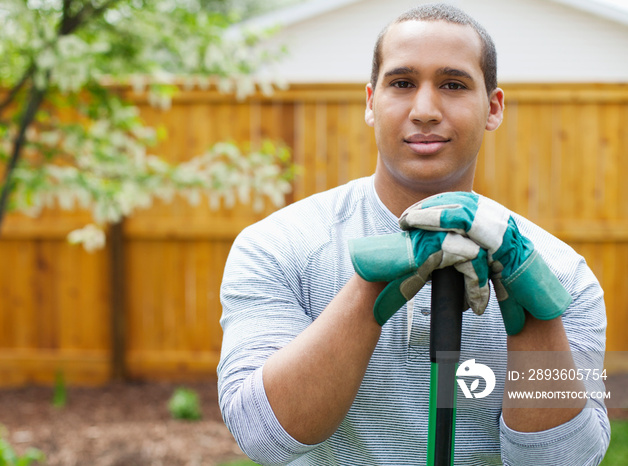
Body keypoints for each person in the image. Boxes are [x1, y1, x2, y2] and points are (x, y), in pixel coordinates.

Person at [217, 3, 610, 465]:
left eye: (453, 84)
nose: (425, 110)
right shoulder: (280, 245)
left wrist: (536, 309)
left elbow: (566, 459)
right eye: (402, 83)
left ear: (493, 108)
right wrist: (371, 283)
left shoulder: (562, 275)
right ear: (370, 102)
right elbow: (261, 436)